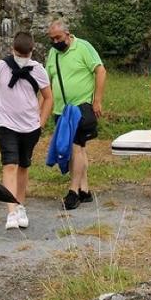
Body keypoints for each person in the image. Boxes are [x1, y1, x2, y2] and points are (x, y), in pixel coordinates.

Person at [0, 31, 53, 230]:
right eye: (19, 54)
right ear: (12, 50)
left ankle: (20, 205)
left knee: (23, 165)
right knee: (9, 164)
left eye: (25, 55)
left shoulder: (38, 69)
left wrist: (41, 121)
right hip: (6, 125)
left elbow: (48, 97)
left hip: (30, 126)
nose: (22, 58)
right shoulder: (1, 66)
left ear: (32, 51)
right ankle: (11, 211)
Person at [45, 20, 105, 210]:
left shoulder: (83, 47)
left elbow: (100, 71)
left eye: (59, 38)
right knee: (77, 150)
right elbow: (47, 82)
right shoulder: (53, 54)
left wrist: (97, 100)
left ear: (68, 34)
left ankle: (73, 191)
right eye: (52, 39)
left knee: (75, 147)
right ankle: (84, 189)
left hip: (80, 108)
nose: (56, 42)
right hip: (61, 111)